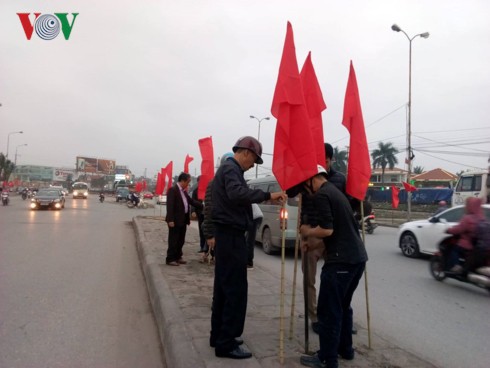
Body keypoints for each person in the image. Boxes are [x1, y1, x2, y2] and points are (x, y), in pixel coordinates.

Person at [209, 136, 286, 359]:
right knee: (235, 291)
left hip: (227, 236)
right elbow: (238, 194)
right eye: (253, 160)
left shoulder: (229, 170)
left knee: (223, 289)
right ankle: (227, 342)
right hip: (231, 237)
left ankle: (219, 335)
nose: (253, 165)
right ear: (245, 153)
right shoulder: (231, 169)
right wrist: (268, 195)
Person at [298, 165, 368, 368]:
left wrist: (307, 231)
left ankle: (327, 359)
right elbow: (334, 229)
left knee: (328, 311)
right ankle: (345, 350)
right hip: (357, 259)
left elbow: (327, 230)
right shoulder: (336, 193)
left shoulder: (322, 195)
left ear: (312, 180)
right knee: (343, 307)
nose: (306, 190)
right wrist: (311, 240)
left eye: (305, 185)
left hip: (340, 262)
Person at [287, 143, 348, 334]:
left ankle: (338, 316)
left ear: (331, 160)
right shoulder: (307, 176)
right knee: (309, 280)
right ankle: (313, 316)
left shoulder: (339, 180)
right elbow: (290, 192)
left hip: (332, 236)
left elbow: (348, 204)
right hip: (311, 233)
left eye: (324, 160)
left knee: (335, 280)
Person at [202, 152, 234, 263]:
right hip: (219, 229)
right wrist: (210, 235)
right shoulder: (214, 183)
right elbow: (209, 208)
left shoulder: (235, 183)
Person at [165, 172, 203, 266]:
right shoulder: (173, 190)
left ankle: (178, 256)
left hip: (183, 220)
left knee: (180, 240)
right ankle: (170, 258)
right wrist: (170, 220)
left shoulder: (183, 191)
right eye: (188, 182)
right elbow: (170, 206)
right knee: (173, 240)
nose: (188, 184)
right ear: (182, 181)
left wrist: (202, 205)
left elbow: (191, 201)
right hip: (175, 220)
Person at [446, 197, 483, 273]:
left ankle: (457, 266)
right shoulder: (481, 218)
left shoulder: (467, 218)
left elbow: (459, 229)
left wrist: (449, 230)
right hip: (478, 245)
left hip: (466, 244)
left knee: (454, 251)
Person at [191, 176, 206, 253]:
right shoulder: (195, 191)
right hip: (200, 213)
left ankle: (207, 247)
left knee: (208, 230)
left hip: (208, 214)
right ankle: (202, 246)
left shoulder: (209, 189)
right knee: (201, 230)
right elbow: (193, 202)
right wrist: (193, 211)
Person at [246, 203, 263, 269]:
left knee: (250, 240)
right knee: (247, 239)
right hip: (255, 216)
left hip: (255, 217)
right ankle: (247, 260)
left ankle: (249, 262)